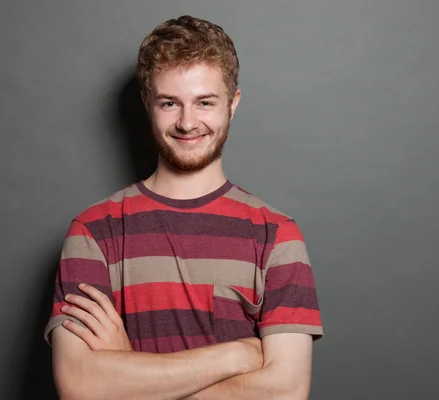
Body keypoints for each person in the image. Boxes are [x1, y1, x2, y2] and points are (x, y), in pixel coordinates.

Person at [45, 15, 323, 400]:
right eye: (170, 103)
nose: (187, 122)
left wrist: (128, 373)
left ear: (233, 103)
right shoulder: (94, 231)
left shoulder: (276, 235)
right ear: (147, 103)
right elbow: (80, 386)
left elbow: (286, 392)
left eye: (205, 102)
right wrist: (236, 355)